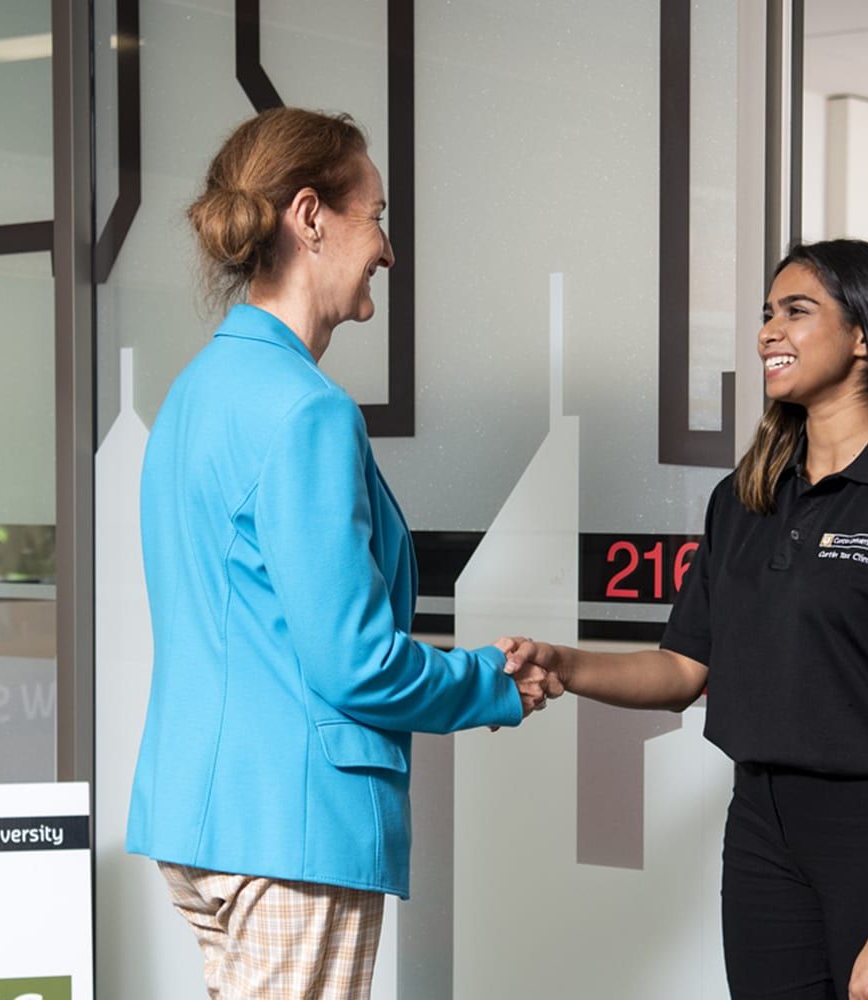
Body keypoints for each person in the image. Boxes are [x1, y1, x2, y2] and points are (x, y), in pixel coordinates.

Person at [507, 239, 868, 1000]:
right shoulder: (745, 498)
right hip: (761, 823)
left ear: (865, 336)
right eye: (765, 314)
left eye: (796, 311)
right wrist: (566, 664)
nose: (766, 333)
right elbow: (685, 669)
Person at [126, 108, 556, 999]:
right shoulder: (306, 410)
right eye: (377, 216)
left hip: (198, 819)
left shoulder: (196, 392)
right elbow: (352, 663)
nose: (388, 251)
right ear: (311, 216)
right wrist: (492, 682)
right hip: (291, 823)